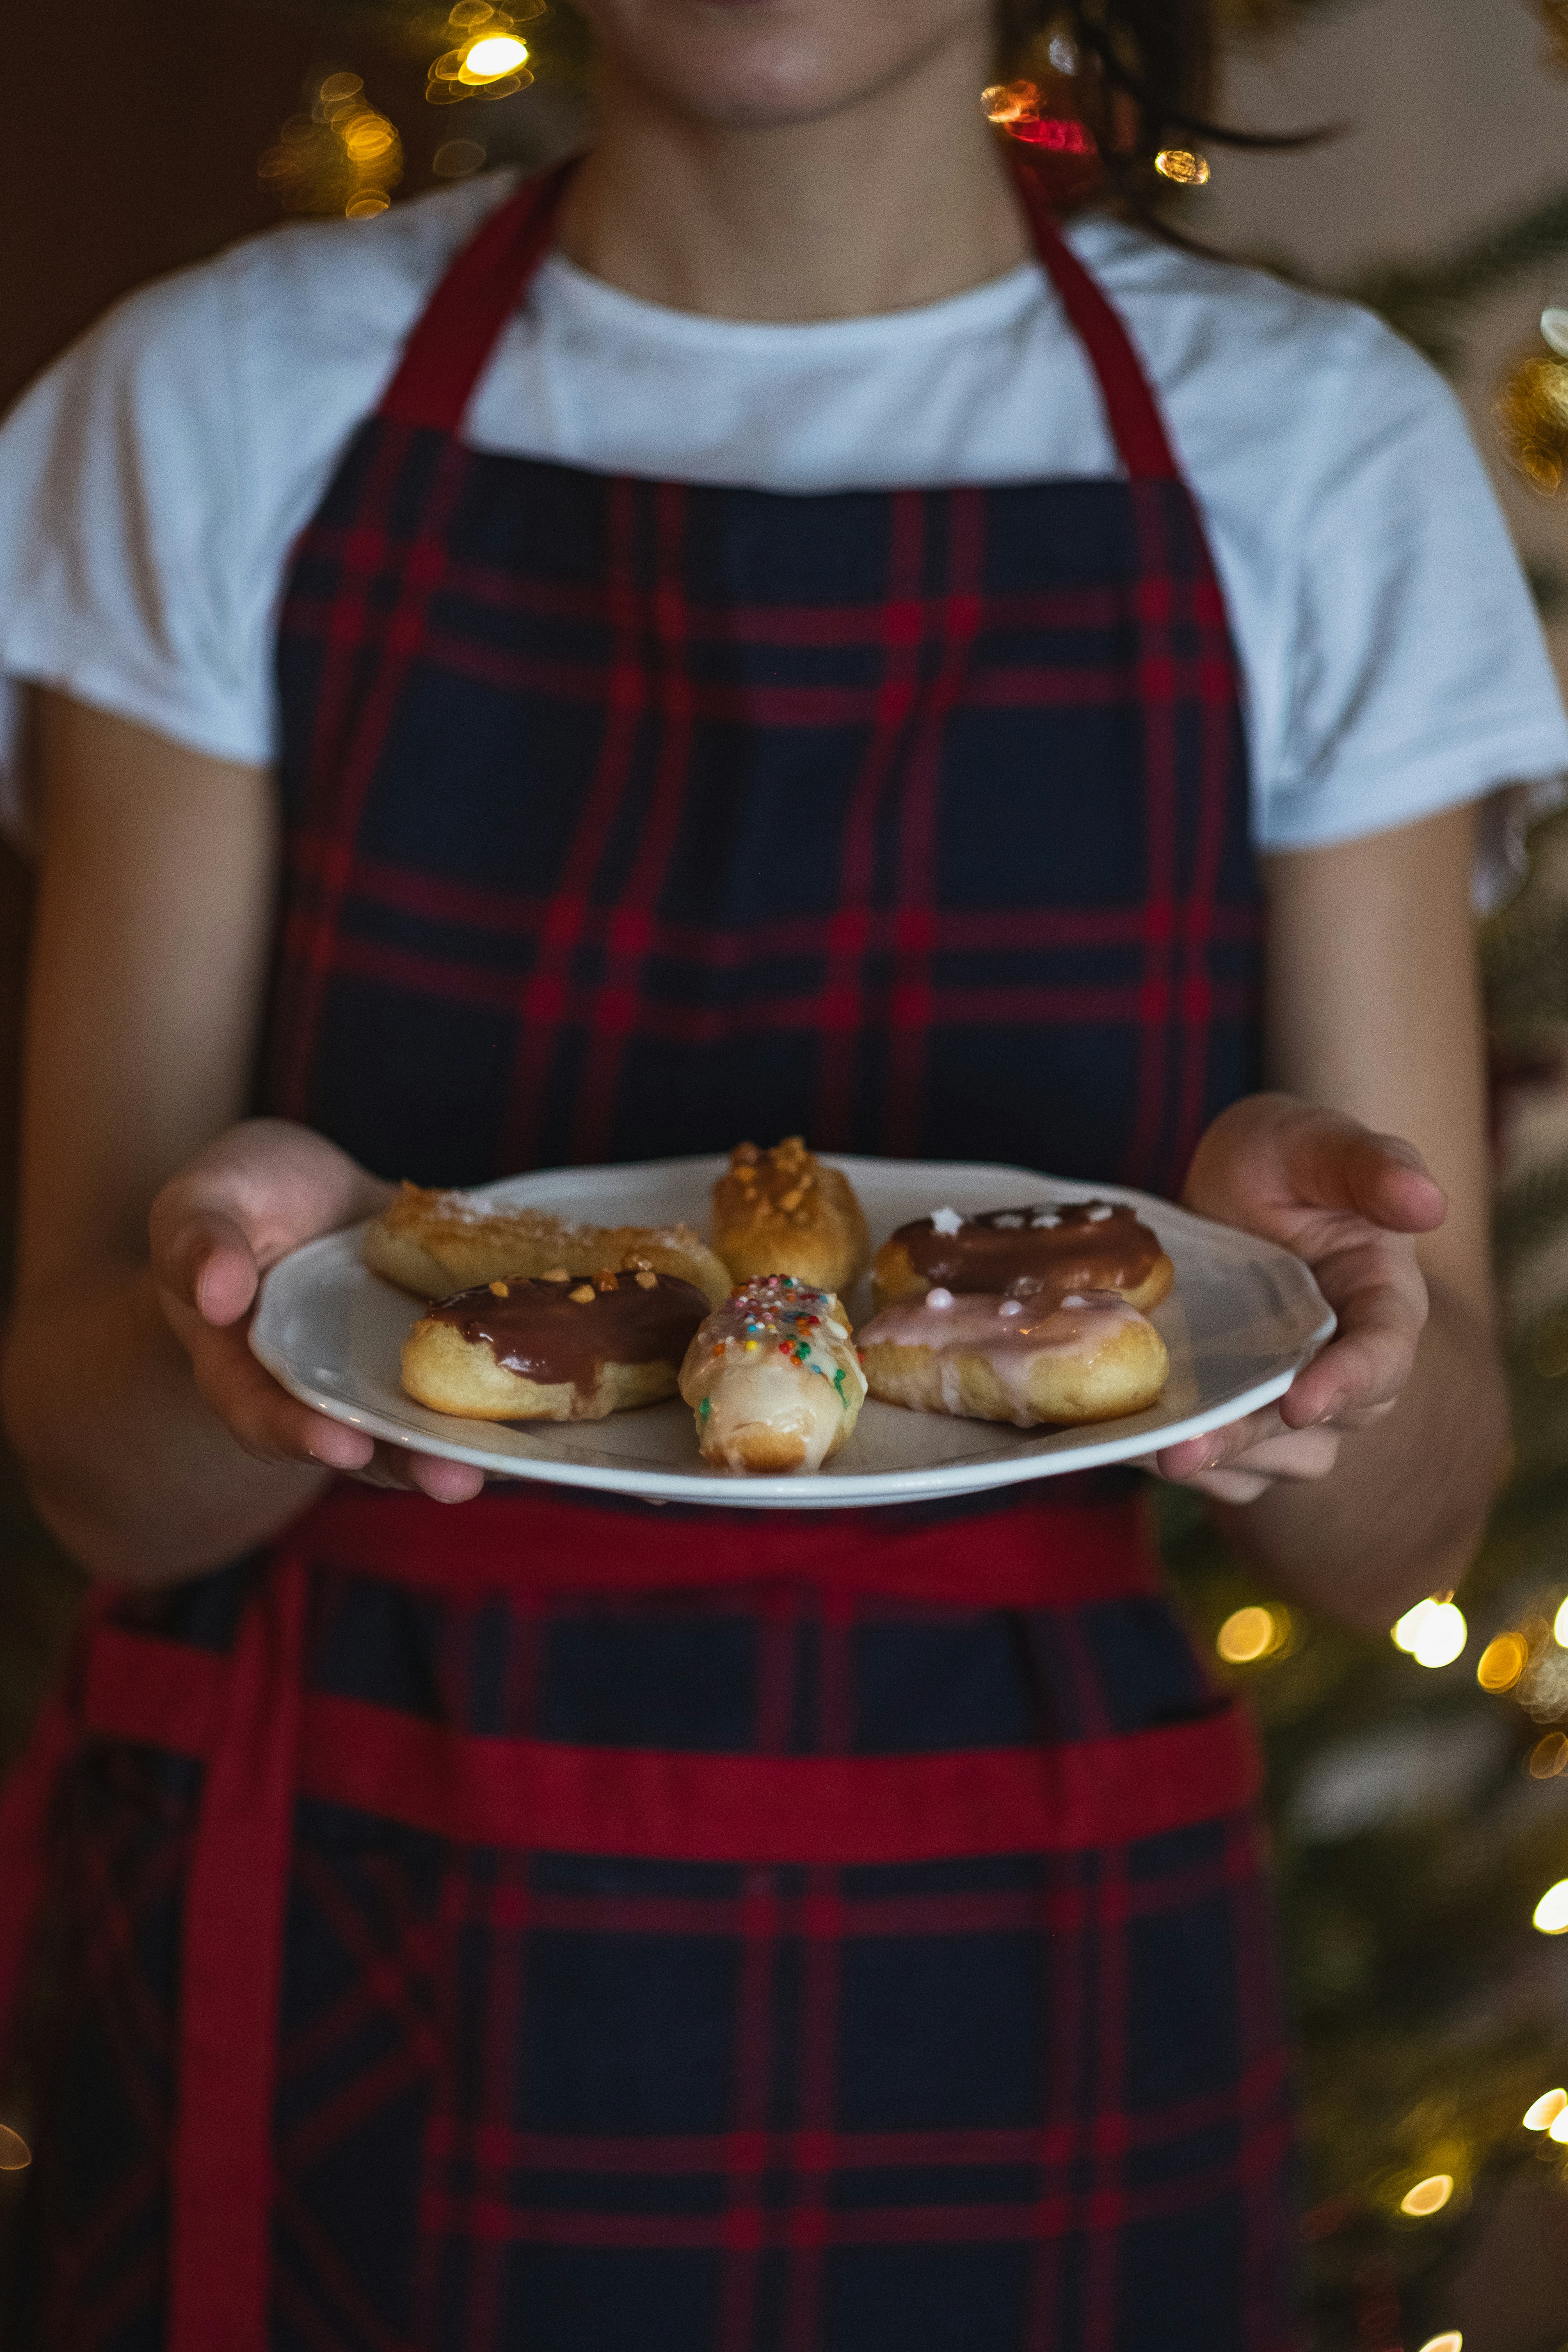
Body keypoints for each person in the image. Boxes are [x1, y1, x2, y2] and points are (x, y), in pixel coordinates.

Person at [0, 0, 1560, 2344]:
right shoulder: (219, 403)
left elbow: (1411, 1525)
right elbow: (100, 1477)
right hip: (340, 1914)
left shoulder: (1311, 448)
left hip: (1022, 1957)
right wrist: (232, 1321)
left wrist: (1335, 1326)